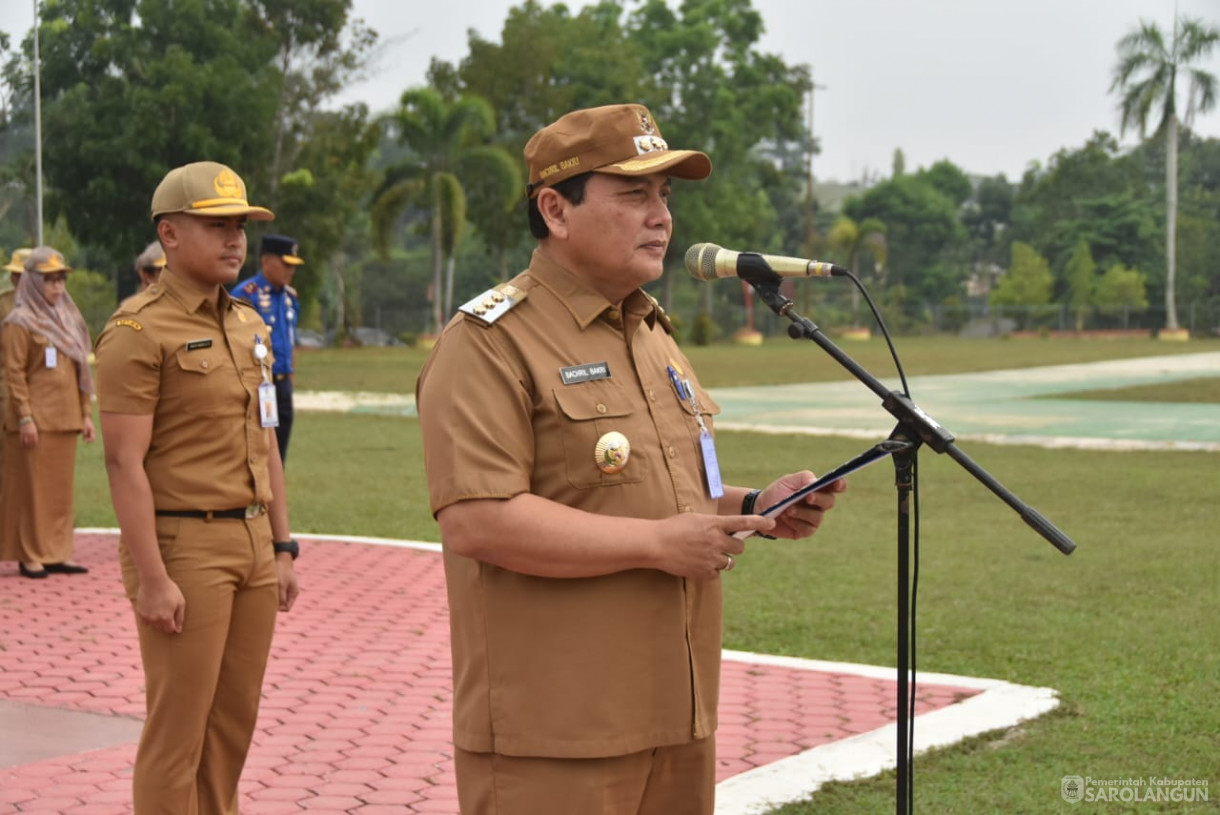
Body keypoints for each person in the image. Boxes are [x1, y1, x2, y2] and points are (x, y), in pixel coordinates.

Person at [415, 103, 848, 815]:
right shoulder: (489, 342)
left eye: (665, 196)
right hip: (556, 735)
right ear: (555, 208)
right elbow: (478, 520)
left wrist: (751, 506)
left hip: (675, 719)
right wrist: (657, 543)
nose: (661, 217)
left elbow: (667, 489)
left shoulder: (649, 333)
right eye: (634, 194)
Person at [94, 161, 300, 813]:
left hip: (250, 543)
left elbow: (266, 439)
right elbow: (124, 464)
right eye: (216, 225)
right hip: (185, 546)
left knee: (232, 726)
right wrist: (152, 576)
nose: (234, 239)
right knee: (178, 731)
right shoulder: (136, 332)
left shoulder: (249, 325)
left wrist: (282, 543)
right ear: (170, 234)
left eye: (238, 225)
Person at [1, 247, 95, 578]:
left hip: (65, 416)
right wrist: (25, 417)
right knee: (32, 491)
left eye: (60, 280)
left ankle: (57, 552)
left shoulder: (68, 318)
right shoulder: (19, 321)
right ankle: (30, 555)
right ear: (32, 283)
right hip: (34, 421)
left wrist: (85, 413)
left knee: (58, 492)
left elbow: (80, 371)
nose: (57, 287)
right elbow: (14, 373)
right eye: (49, 280)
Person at [230, 235, 302, 462]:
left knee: (280, 450)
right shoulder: (246, 295)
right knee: (261, 447)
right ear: (266, 261)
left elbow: (289, 338)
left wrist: (290, 376)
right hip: (260, 384)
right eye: (285, 264)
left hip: (282, 385)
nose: (290, 271)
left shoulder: (290, 297)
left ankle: (276, 496)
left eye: (293, 265)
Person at [0, 248, 31, 537]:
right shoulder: (4, 305)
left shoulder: (50, 306)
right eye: (16, 274)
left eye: (23, 274)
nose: (17, 279)